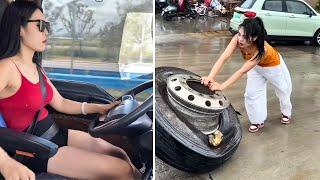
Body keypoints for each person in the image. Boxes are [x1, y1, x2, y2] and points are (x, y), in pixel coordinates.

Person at [0, 1, 140, 179]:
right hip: (33, 148)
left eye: (47, 26)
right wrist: (5, 162)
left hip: (55, 133)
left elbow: (61, 103)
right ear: (19, 28)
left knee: (119, 154)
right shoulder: (6, 68)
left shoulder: (35, 67)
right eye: (40, 26)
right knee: (122, 170)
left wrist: (98, 108)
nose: (46, 32)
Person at [201, 17, 292, 133]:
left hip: (273, 67)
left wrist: (222, 86)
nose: (240, 39)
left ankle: (286, 113)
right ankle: (257, 121)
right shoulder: (237, 38)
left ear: (254, 38)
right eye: (239, 34)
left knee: (283, 90)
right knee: (251, 94)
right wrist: (210, 77)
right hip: (255, 68)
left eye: (245, 36)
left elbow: (242, 71)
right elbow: (224, 57)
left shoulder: (262, 50)